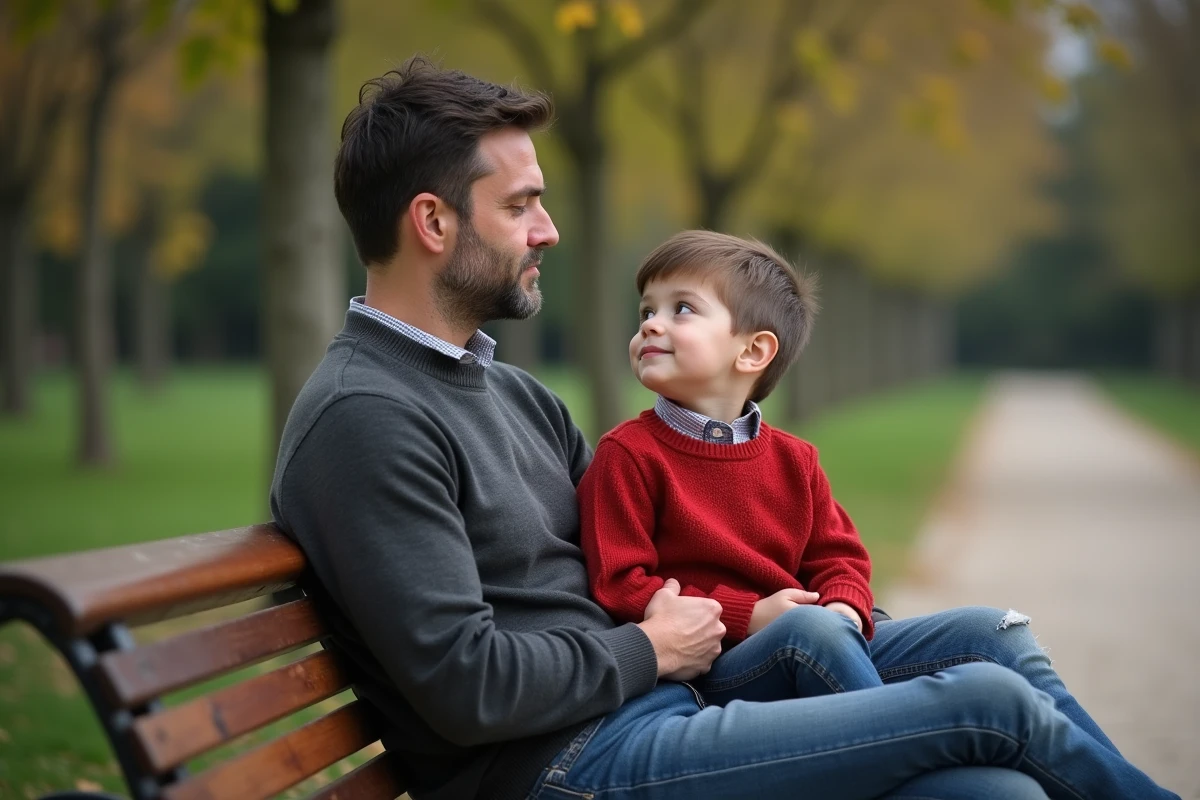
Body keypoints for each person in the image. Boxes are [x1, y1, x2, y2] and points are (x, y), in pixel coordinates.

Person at [268, 55, 1179, 800]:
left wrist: (798, 619)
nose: (547, 230)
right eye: (519, 205)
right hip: (566, 764)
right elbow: (468, 685)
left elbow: (638, 559)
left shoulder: (513, 396)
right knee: (991, 713)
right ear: (431, 221)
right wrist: (648, 647)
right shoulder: (369, 419)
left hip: (665, 702)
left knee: (991, 661)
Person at [579, 230, 885, 706]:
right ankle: (898, 744)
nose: (651, 326)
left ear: (752, 352)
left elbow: (839, 558)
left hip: (816, 637)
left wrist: (843, 607)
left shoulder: (795, 460)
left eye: (681, 308)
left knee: (987, 632)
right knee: (813, 633)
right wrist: (749, 615)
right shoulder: (627, 454)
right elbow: (619, 585)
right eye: (646, 311)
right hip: (711, 669)